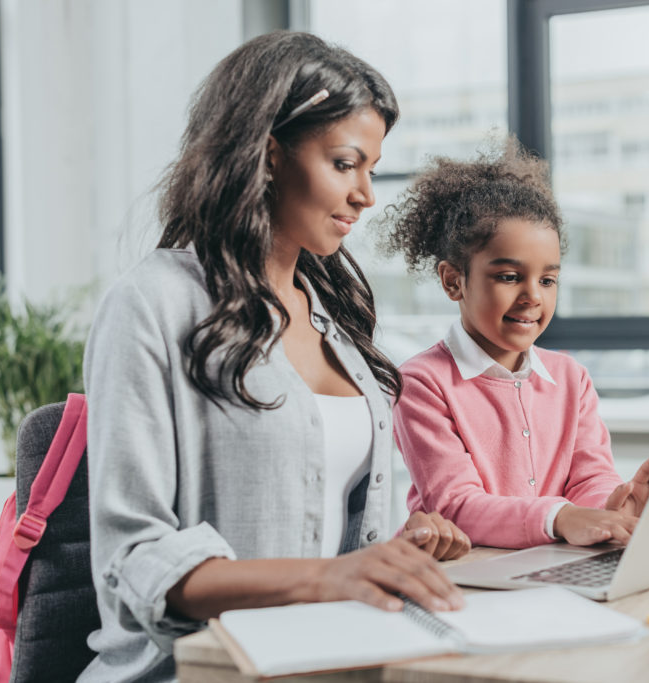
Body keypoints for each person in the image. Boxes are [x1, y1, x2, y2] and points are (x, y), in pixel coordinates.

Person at [80, 31, 470, 682]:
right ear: (267, 154)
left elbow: (328, 536)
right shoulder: (152, 303)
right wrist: (325, 575)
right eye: (346, 164)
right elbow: (135, 555)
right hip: (198, 667)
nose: (366, 195)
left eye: (372, 168)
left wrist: (393, 553)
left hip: (320, 656)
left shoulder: (334, 316)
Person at [380, 139, 649, 550]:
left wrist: (612, 505)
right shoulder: (421, 383)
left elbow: (590, 476)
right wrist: (561, 517)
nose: (533, 295)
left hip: (542, 566)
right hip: (460, 573)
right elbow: (456, 504)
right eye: (510, 277)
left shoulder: (572, 378)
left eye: (548, 280)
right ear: (453, 281)